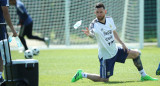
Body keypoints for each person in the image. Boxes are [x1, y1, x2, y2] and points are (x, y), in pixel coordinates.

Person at [71, 3, 158, 82]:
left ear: (105, 11)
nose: (99, 14)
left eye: (101, 12)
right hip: (106, 56)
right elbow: (92, 34)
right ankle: (82, 74)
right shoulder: (94, 24)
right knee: (104, 80)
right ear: (95, 12)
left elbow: (114, 32)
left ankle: (144, 76)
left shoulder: (109, 19)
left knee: (136, 54)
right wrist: (89, 34)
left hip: (115, 50)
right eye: (97, 12)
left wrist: (122, 43)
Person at [0, 0, 18, 83]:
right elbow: (5, 12)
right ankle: (0, 76)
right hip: (0, 26)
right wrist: (13, 30)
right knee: (2, 52)